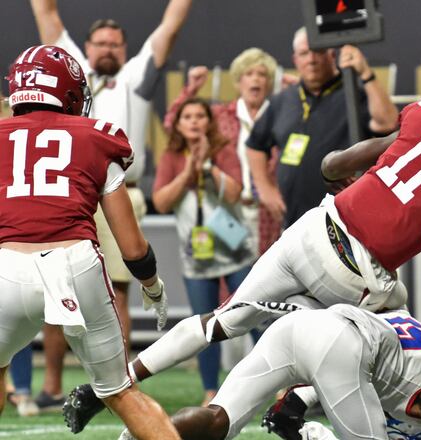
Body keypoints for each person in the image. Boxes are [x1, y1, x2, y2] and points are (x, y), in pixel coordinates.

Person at [63, 85, 421, 434]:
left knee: (220, 320)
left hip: (315, 228)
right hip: (358, 272)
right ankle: (300, 405)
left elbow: (331, 166)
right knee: (393, 344)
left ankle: (109, 387)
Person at [0, 45, 177, 440]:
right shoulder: (98, 137)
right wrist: (152, 284)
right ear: (68, 92)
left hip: (5, 268)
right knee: (121, 392)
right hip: (75, 264)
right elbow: (131, 247)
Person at [29, 0, 194, 411]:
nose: (107, 50)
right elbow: (46, 14)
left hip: (120, 190)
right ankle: (51, 387)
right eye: (100, 43)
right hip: (67, 193)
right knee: (56, 292)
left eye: (115, 45)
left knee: (117, 293)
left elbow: (171, 26)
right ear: (85, 47)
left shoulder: (136, 75)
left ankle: (117, 388)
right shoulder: (72, 70)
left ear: (125, 49)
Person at [118, 305, 421, 440]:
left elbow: (297, 402)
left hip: (297, 327)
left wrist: (296, 421)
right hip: (339, 344)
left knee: (217, 421)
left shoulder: (405, 347)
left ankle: (135, 435)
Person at [154, 97, 258, 405]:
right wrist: (187, 172)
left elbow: (236, 193)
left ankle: (282, 386)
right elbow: (160, 202)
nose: (195, 121)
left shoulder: (223, 150)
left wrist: (208, 167)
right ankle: (211, 391)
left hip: (234, 249)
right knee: (204, 326)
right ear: (179, 123)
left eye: (201, 116)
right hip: (197, 259)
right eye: (189, 116)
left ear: (208, 123)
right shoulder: (172, 155)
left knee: (253, 315)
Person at [246, 26, 399, 229]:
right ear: (295, 60)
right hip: (294, 223)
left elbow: (388, 123)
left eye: (317, 51)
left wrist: (366, 74)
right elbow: (255, 144)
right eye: (304, 53)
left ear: (331, 54)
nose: (311, 59)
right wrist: (265, 189)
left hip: (346, 221)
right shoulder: (283, 100)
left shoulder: (354, 94)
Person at [164, 49, 288, 255]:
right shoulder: (220, 116)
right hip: (230, 208)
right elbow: (172, 125)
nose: (255, 80)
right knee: (232, 279)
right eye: (248, 74)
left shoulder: (281, 117)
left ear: (270, 82)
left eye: (262, 74)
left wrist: (294, 96)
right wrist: (190, 90)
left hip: (269, 211)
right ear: (238, 82)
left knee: (270, 276)